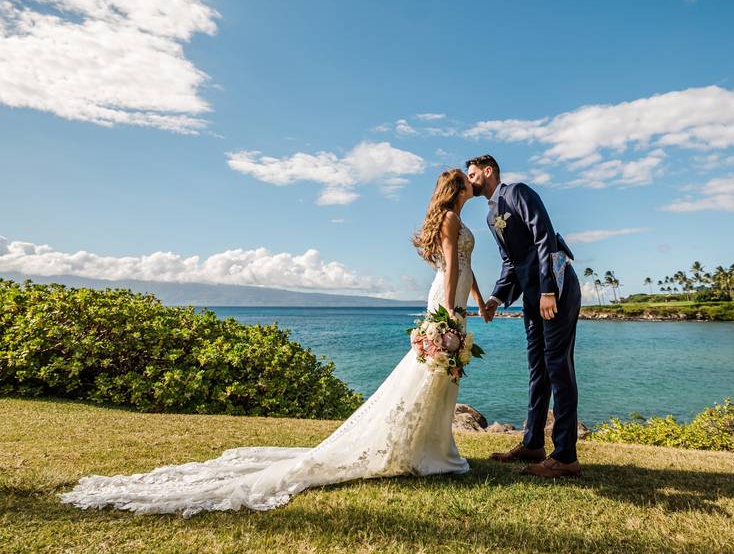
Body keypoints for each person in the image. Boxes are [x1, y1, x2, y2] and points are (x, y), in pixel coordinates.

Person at [60, 169, 486, 516]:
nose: (473, 181)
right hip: (444, 301)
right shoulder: (450, 220)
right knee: (430, 375)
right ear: (457, 188)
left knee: (441, 377)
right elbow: (450, 267)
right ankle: (428, 453)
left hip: (457, 303)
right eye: (468, 178)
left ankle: (433, 449)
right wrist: (448, 310)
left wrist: (478, 302)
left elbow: (466, 268)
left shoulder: (460, 221)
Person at [466, 155, 583, 479]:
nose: (470, 179)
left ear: (488, 172)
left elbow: (544, 235)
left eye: (473, 174)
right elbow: (510, 262)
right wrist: (495, 297)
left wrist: (548, 290)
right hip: (531, 297)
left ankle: (565, 456)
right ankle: (533, 443)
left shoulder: (516, 192)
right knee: (538, 369)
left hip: (555, 288)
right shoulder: (492, 216)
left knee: (559, 366)